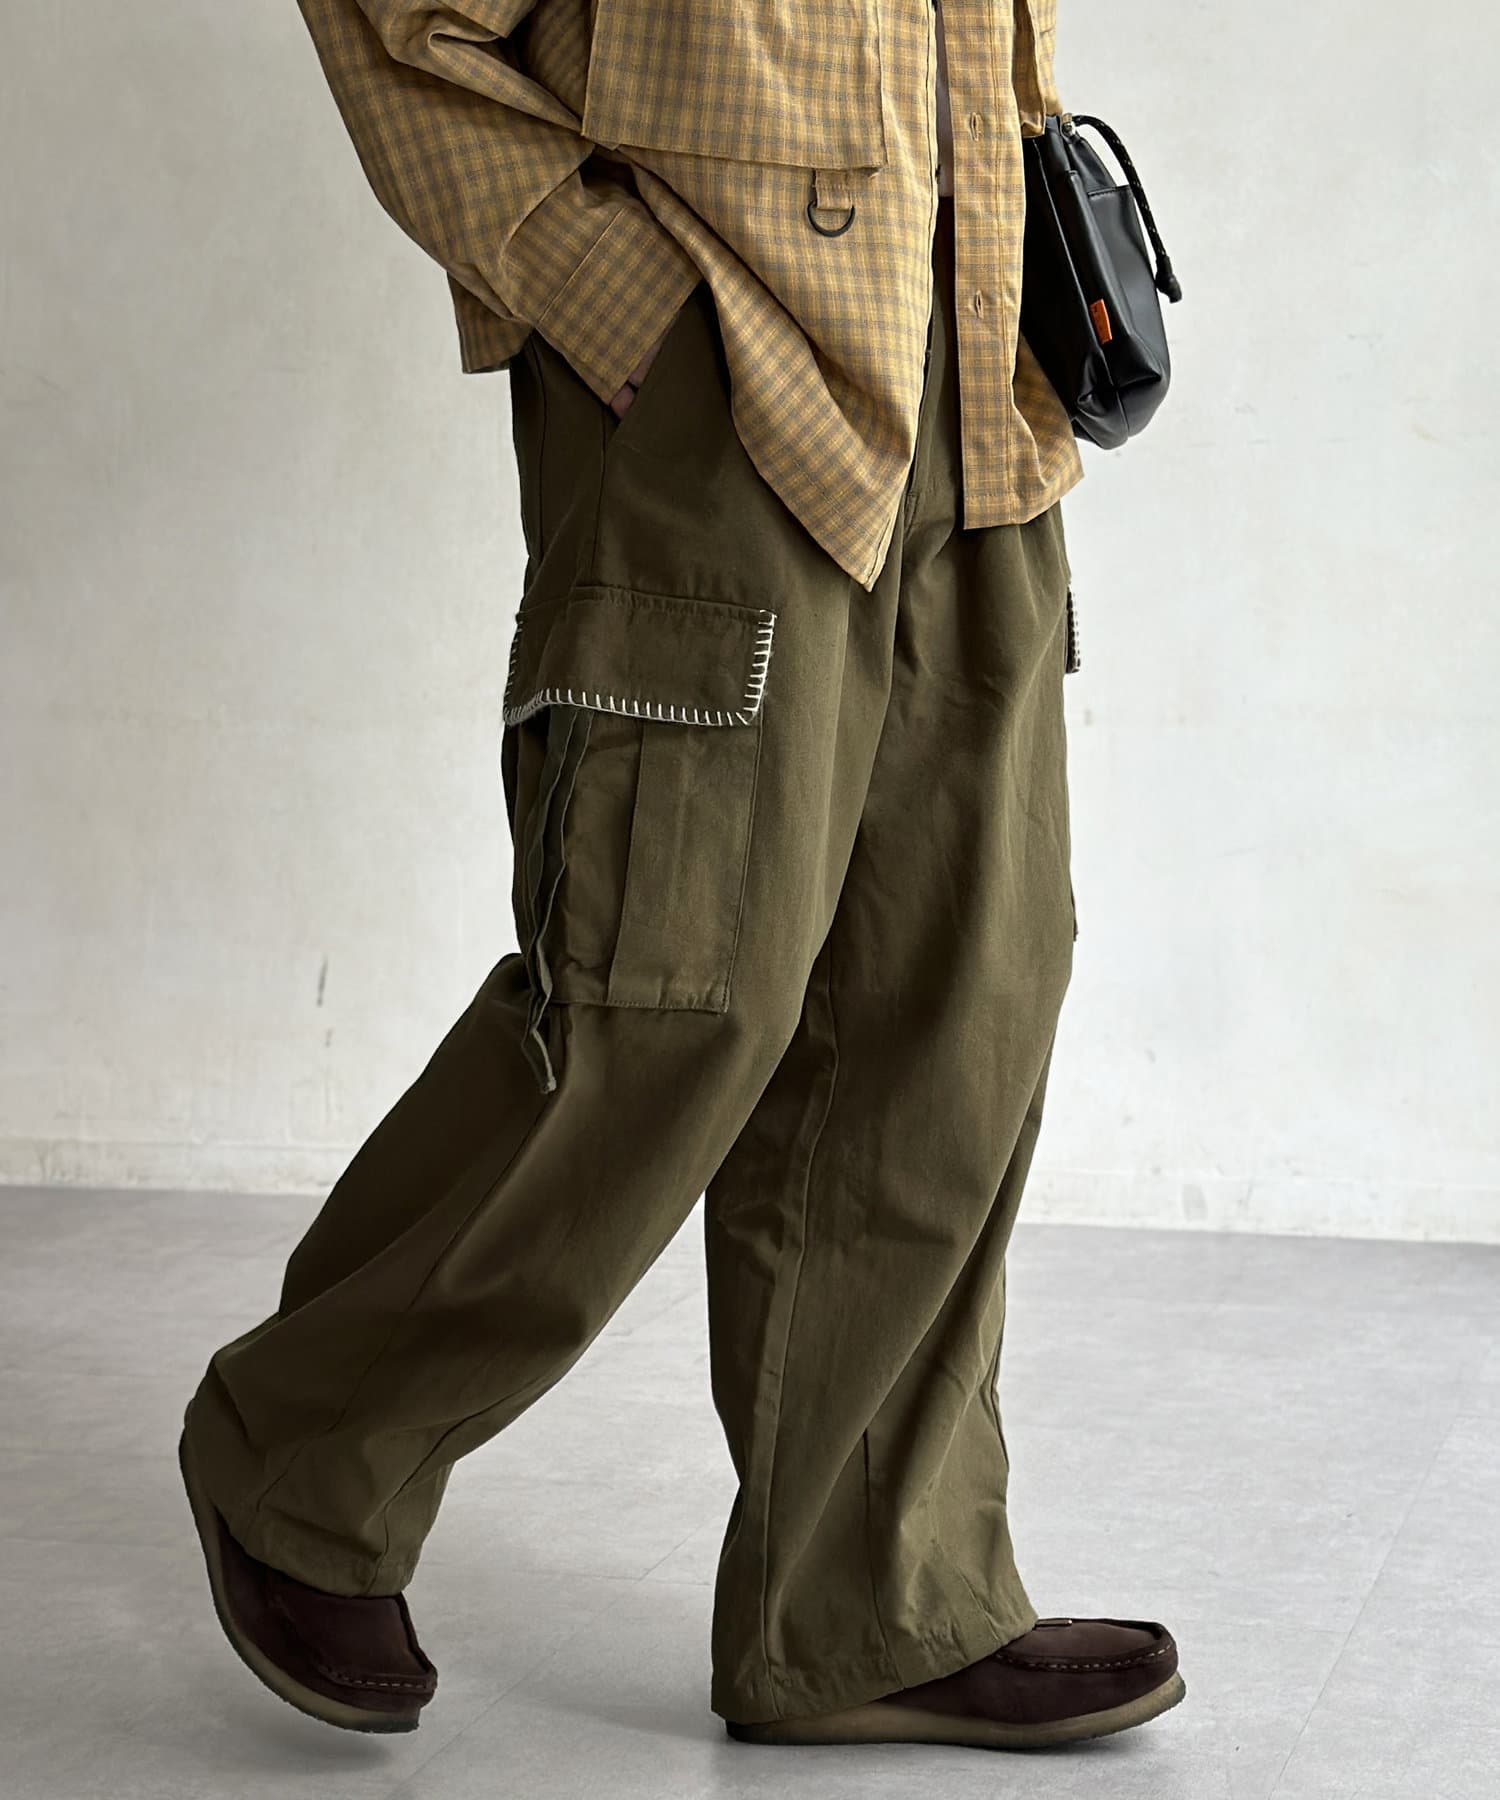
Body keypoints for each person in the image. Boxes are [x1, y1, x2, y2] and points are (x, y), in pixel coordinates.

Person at [177, 0, 1186, 1752]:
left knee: (958, 1000)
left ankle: (868, 1603)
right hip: (728, 373)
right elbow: (398, 26)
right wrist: (617, 299)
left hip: (981, 383)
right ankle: (303, 1457)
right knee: (667, 988)